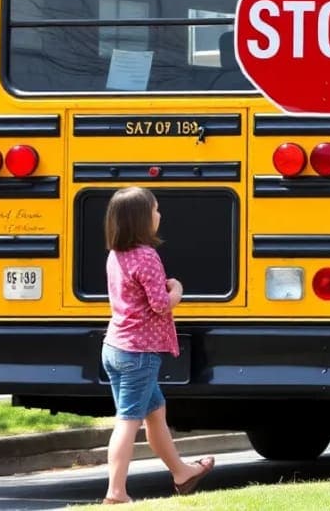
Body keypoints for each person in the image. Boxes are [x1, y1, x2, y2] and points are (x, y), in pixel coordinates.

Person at [100, 186, 214, 505]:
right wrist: (177, 289)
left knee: (155, 412)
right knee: (127, 420)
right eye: (155, 210)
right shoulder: (147, 255)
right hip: (139, 352)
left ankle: (181, 472)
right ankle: (116, 492)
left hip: (115, 346)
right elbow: (161, 305)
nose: (159, 215)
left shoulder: (116, 255)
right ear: (141, 220)